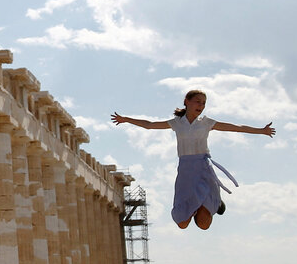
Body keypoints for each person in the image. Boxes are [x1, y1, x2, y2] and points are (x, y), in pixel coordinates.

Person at [111, 90, 275, 230]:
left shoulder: (206, 123)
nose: (201, 106)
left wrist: (262, 131)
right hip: (185, 171)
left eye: (204, 103)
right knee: (182, 223)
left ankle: (212, 202)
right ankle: (196, 206)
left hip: (203, 169)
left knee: (204, 225)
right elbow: (149, 124)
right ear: (186, 102)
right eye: (197, 102)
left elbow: (236, 128)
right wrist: (126, 119)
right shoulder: (177, 123)